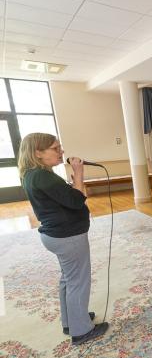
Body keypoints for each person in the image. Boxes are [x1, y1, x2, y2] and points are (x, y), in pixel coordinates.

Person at [18, 133, 108, 345]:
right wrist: (78, 172)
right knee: (78, 282)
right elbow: (77, 201)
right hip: (68, 236)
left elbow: (65, 198)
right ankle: (81, 331)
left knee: (68, 279)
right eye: (55, 148)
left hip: (56, 235)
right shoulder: (43, 176)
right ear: (38, 153)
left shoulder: (33, 174)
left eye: (60, 147)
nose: (61, 152)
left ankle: (71, 321)